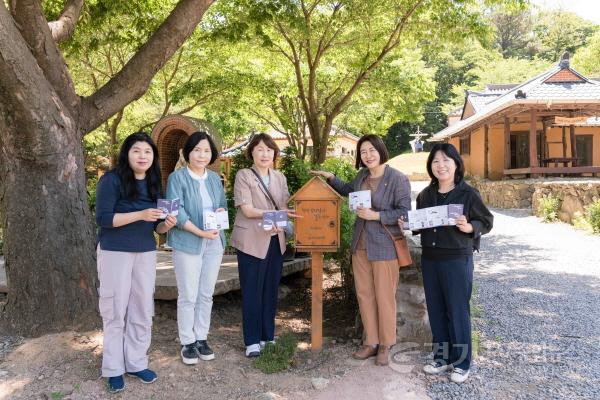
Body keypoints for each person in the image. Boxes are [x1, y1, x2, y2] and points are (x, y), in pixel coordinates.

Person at [311, 134, 411, 366]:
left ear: (381, 150)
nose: (368, 155)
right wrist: (332, 178)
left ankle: (386, 343)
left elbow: (404, 212)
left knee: (385, 297)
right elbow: (348, 190)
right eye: (363, 152)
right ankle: (371, 342)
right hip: (361, 245)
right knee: (364, 295)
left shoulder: (397, 178)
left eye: (371, 150)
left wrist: (376, 215)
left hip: (385, 245)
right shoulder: (362, 176)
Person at [96, 132, 176, 393]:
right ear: (126, 154)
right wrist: (139, 213)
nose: (143, 156)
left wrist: (166, 224)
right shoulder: (111, 180)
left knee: (142, 308)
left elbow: (158, 227)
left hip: (146, 251)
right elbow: (105, 219)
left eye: (147, 152)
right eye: (136, 151)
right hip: (115, 251)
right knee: (115, 309)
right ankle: (113, 368)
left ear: (153, 157)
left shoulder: (154, 183)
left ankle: (136, 362)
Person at [410, 143, 493, 384]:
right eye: (436, 161)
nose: (441, 165)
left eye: (446, 160)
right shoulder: (426, 195)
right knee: (436, 310)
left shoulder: (467, 194)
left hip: (457, 259)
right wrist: (407, 223)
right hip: (431, 259)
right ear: (431, 167)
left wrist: (470, 227)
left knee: (457, 310)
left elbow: (486, 220)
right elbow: (420, 225)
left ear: (456, 164)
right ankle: (441, 357)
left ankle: (462, 362)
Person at [230, 133, 297, 357]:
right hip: (251, 240)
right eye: (260, 149)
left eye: (269, 150)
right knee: (252, 291)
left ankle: (267, 336)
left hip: (275, 239)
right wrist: (276, 215)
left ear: (275, 154)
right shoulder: (243, 175)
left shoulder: (280, 177)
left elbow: (285, 207)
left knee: (270, 291)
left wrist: (281, 219)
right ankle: (251, 341)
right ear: (252, 153)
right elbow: (247, 210)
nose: (265, 154)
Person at [166, 131, 227, 365]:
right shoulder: (177, 178)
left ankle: (201, 337)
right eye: (197, 150)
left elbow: (221, 204)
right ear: (187, 152)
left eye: (206, 151)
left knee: (205, 294)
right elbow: (177, 212)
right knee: (188, 294)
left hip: (214, 242)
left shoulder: (213, 178)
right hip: (188, 242)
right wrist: (200, 232)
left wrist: (221, 213)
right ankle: (187, 341)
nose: (202, 155)